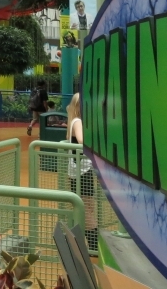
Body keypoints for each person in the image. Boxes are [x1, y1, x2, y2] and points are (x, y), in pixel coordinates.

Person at [65, 93, 98, 251]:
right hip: (81, 172)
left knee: (87, 205)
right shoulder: (78, 121)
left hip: (80, 171)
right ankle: (93, 244)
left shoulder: (76, 121)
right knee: (87, 206)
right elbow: (81, 140)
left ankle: (86, 242)